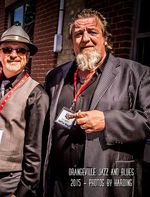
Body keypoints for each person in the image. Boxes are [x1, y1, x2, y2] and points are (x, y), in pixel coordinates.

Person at [43, 8, 150, 197]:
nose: (85, 39)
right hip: (59, 184)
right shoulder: (55, 76)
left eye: (92, 32)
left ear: (106, 39)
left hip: (104, 183)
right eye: (78, 34)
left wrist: (107, 121)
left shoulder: (137, 73)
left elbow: (148, 120)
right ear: (73, 43)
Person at [0, 24, 49, 197]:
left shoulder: (37, 93)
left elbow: (36, 150)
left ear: (28, 56)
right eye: (7, 49)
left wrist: (22, 191)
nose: (14, 55)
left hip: (11, 182)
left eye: (21, 50)